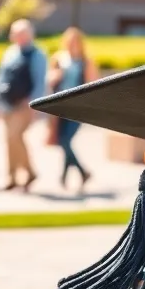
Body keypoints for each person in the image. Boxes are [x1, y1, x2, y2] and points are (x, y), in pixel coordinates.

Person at [0, 19, 48, 192]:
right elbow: (0, 79)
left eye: (23, 33)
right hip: (7, 102)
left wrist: (34, 104)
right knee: (10, 140)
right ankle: (12, 177)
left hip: (24, 104)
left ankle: (29, 172)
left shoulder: (37, 54)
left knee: (15, 137)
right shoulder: (10, 52)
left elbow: (40, 82)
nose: (19, 37)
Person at [46, 27, 99, 190]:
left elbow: (93, 84)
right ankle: (75, 174)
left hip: (77, 107)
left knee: (65, 140)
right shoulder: (58, 59)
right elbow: (49, 80)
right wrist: (55, 76)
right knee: (62, 140)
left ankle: (79, 172)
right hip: (60, 106)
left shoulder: (86, 61)